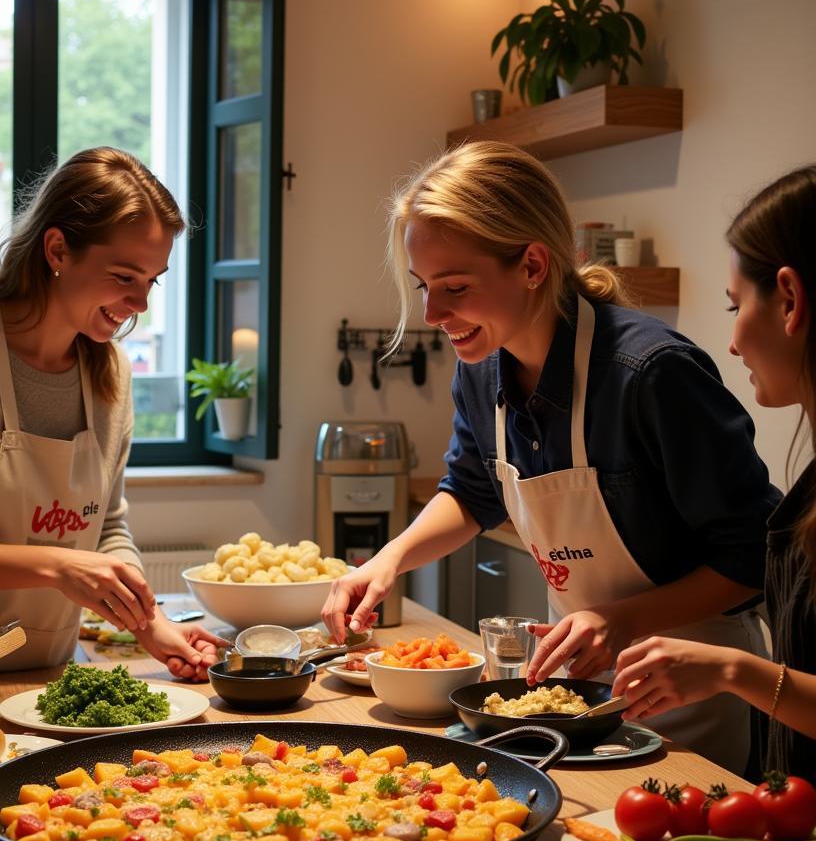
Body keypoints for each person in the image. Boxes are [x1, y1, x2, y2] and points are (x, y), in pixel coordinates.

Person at [322, 140, 779, 774]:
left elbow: (755, 551)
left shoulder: (649, 374)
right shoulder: (483, 371)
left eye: (454, 286)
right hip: (573, 690)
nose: (431, 313)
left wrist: (618, 620)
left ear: (534, 265)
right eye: (424, 286)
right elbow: (474, 492)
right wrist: (388, 560)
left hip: (692, 693)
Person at [0, 147, 225, 678]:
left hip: (50, 680)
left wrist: (149, 622)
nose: (141, 303)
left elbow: (104, 529)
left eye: (152, 280)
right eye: (125, 276)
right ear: (57, 249)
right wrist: (58, 566)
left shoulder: (111, 373)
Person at [613, 165, 816, 780]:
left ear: (789, 298)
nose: (731, 342)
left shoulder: (651, 368)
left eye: (735, 305)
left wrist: (733, 669)